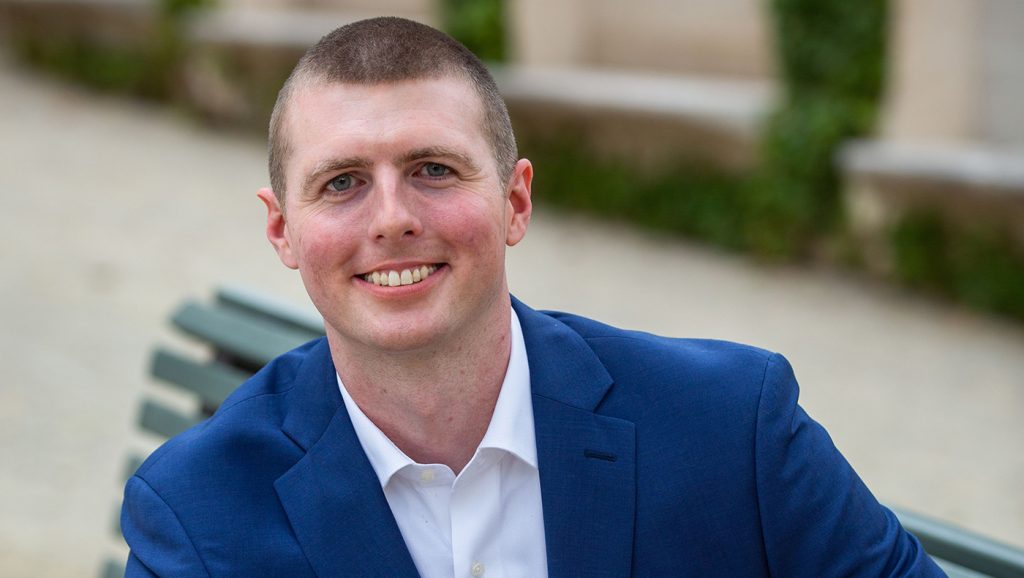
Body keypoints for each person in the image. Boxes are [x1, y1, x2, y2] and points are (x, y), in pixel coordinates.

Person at [120, 16, 944, 577]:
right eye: (342, 183)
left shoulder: (732, 427)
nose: (393, 218)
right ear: (283, 231)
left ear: (515, 202)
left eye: (433, 169)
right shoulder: (199, 511)